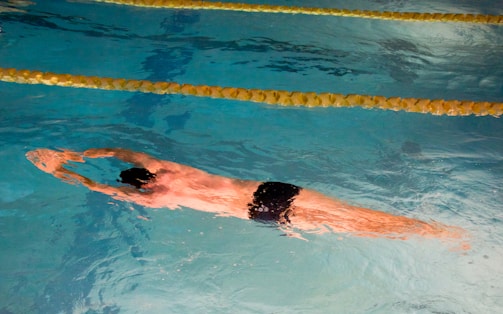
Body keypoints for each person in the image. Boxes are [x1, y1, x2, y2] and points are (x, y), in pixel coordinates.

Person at [26, 148, 469, 247]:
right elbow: (126, 152)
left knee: (349, 225)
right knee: (352, 214)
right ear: (152, 173)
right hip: (268, 191)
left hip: (257, 212)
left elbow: (95, 188)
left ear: (136, 185)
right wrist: (78, 154)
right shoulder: (176, 171)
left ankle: (429, 237)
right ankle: (432, 229)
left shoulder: (152, 200)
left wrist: (60, 170)